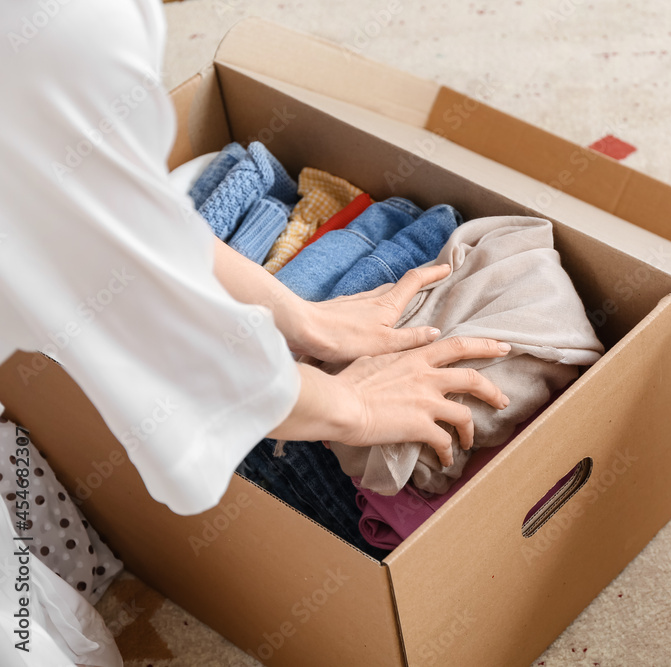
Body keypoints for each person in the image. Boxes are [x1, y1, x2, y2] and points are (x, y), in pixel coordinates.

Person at [0, 1, 508, 663]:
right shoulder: (61, 31)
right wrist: (351, 406)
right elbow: (153, 329)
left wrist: (303, 318)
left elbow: (110, 218)